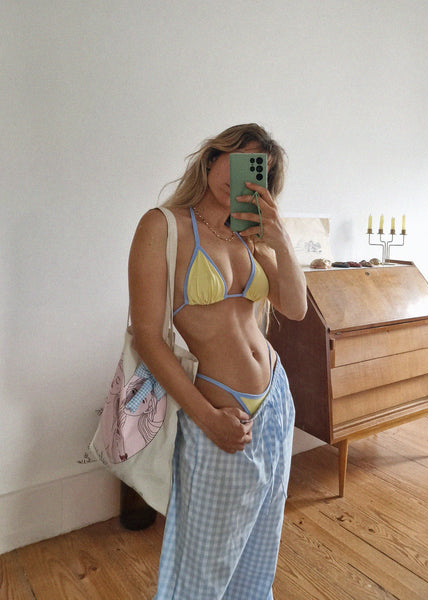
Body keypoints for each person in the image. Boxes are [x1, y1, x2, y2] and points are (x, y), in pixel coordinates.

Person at [128, 123, 307, 599]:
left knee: (261, 549)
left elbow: (295, 307)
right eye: (237, 159)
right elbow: (147, 337)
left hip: (275, 402)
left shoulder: (251, 235)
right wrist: (207, 418)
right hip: (217, 412)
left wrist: (280, 238)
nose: (242, 175)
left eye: (257, 169)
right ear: (212, 159)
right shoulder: (162, 226)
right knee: (202, 568)